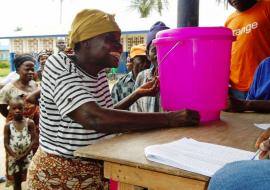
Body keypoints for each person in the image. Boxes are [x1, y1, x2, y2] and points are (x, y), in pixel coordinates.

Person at [26, 9, 199, 189]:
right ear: (85, 41)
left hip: (95, 173)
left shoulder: (98, 73)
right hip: (58, 176)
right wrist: (170, 119)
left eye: (119, 41)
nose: (120, 46)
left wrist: (136, 94)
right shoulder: (59, 64)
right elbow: (94, 118)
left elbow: (105, 116)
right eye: (111, 40)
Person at [225, 0, 270, 100]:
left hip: (263, 89)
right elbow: (228, 55)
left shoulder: (267, 6)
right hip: (236, 91)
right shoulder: (229, 20)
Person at [130, 21, 169, 112]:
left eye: (165, 49)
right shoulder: (142, 77)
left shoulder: (182, 77)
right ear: (148, 55)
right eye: (155, 50)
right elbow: (136, 112)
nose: (160, 54)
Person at [4, 97, 37, 190]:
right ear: (10, 109)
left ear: (24, 109)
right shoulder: (8, 125)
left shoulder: (29, 123)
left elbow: (33, 140)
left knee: (31, 178)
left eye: (20, 108)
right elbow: (6, 143)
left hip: (27, 157)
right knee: (17, 181)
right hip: (14, 158)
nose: (17, 110)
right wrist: (15, 156)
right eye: (14, 108)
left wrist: (24, 155)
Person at [0, 54, 39, 125]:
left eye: (32, 69)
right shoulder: (8, 89)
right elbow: (2, 108)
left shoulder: (35, 84)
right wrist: (16, 119)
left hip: (35, 124)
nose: (30, 72)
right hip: (17, 127)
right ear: (17, 70)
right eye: (27, 69)